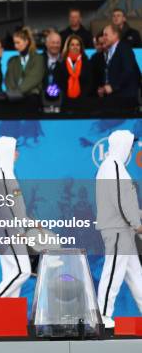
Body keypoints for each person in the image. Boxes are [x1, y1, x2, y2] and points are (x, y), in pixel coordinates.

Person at [95, 130, 142, 329]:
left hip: (123, 229)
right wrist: (137, 224)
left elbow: (126, 202)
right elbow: (121, 202)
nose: (131, 151)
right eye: (131, 146)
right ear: (123, 146)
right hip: (117, 229)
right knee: (113, 271)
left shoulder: (115, 167)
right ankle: (102, 316)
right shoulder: (113, 167)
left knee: (136, 275)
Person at [0, 136, 33, 298]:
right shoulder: (1, 172)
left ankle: (7, 319)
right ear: (6, 151)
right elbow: (5, 207)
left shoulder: (5, 171)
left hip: (8, 229)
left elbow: (16, 206)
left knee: (11, 275)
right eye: (15, 150)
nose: (17, 154)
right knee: (22, 271)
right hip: (8, 229)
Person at [99, 24, 141, 99]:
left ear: (115, 35)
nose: (103, 38)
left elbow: (129, 71)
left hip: (125, 98)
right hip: (114, 97)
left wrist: (113, 86)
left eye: (106, 35)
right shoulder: (109, 51)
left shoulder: (125, 49)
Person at [5, 27, 45, 98]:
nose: (15, 46)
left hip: (31, 98)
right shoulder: (12, 61)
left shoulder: (38, 59)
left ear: (26, 41)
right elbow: (9, 80)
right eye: (14, 43)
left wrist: (17, 92)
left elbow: (34, 78)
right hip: (14, 98)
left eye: (18, 42)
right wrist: (13, 93)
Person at [54, 35, 94, 100]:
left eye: (77, 45)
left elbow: (89, 83)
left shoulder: (87, 63)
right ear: (68, 47)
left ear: (81, 47)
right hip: (64, 101)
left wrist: (81, 98)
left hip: (83, 100)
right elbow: (58, 84)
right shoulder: (60, 63)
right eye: (72, 45)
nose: (75, 47)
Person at [41, 31, 62, 100]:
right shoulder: (38, 60)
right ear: (46, 44)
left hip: (61, 97)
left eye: (58, 43)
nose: (55, 45)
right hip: (41, 97)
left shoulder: (65, 60)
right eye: (53, 42)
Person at [90, 31, 107, 96]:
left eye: (102, 44)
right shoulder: (94, 58)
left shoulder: (118, 55)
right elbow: (91, 79)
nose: (100, 47)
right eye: (98, 44)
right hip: (98, 94)